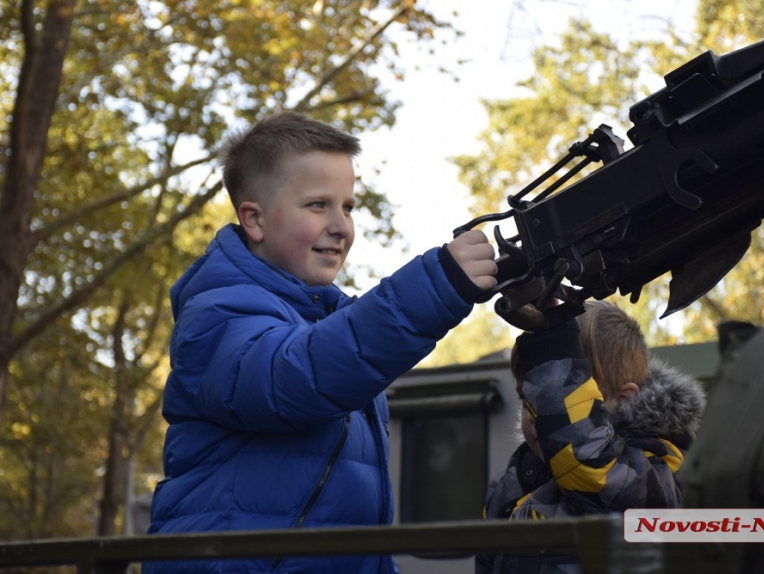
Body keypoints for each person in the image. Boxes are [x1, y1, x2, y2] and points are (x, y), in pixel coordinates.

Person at [142, 110, 497, 574]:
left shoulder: (330, 321)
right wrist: (435, 288)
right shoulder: (216, 313)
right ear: (255, 220)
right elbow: (293, 378)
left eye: (348, 206)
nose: (341, 225)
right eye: (317, 205)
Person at [476, 300, 706, 574]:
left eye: (561, 402)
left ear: (624, 400)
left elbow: (592, 465)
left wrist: (555, 351)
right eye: (529, 400)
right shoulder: (509, 485)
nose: (538, 419)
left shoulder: (659, 469)